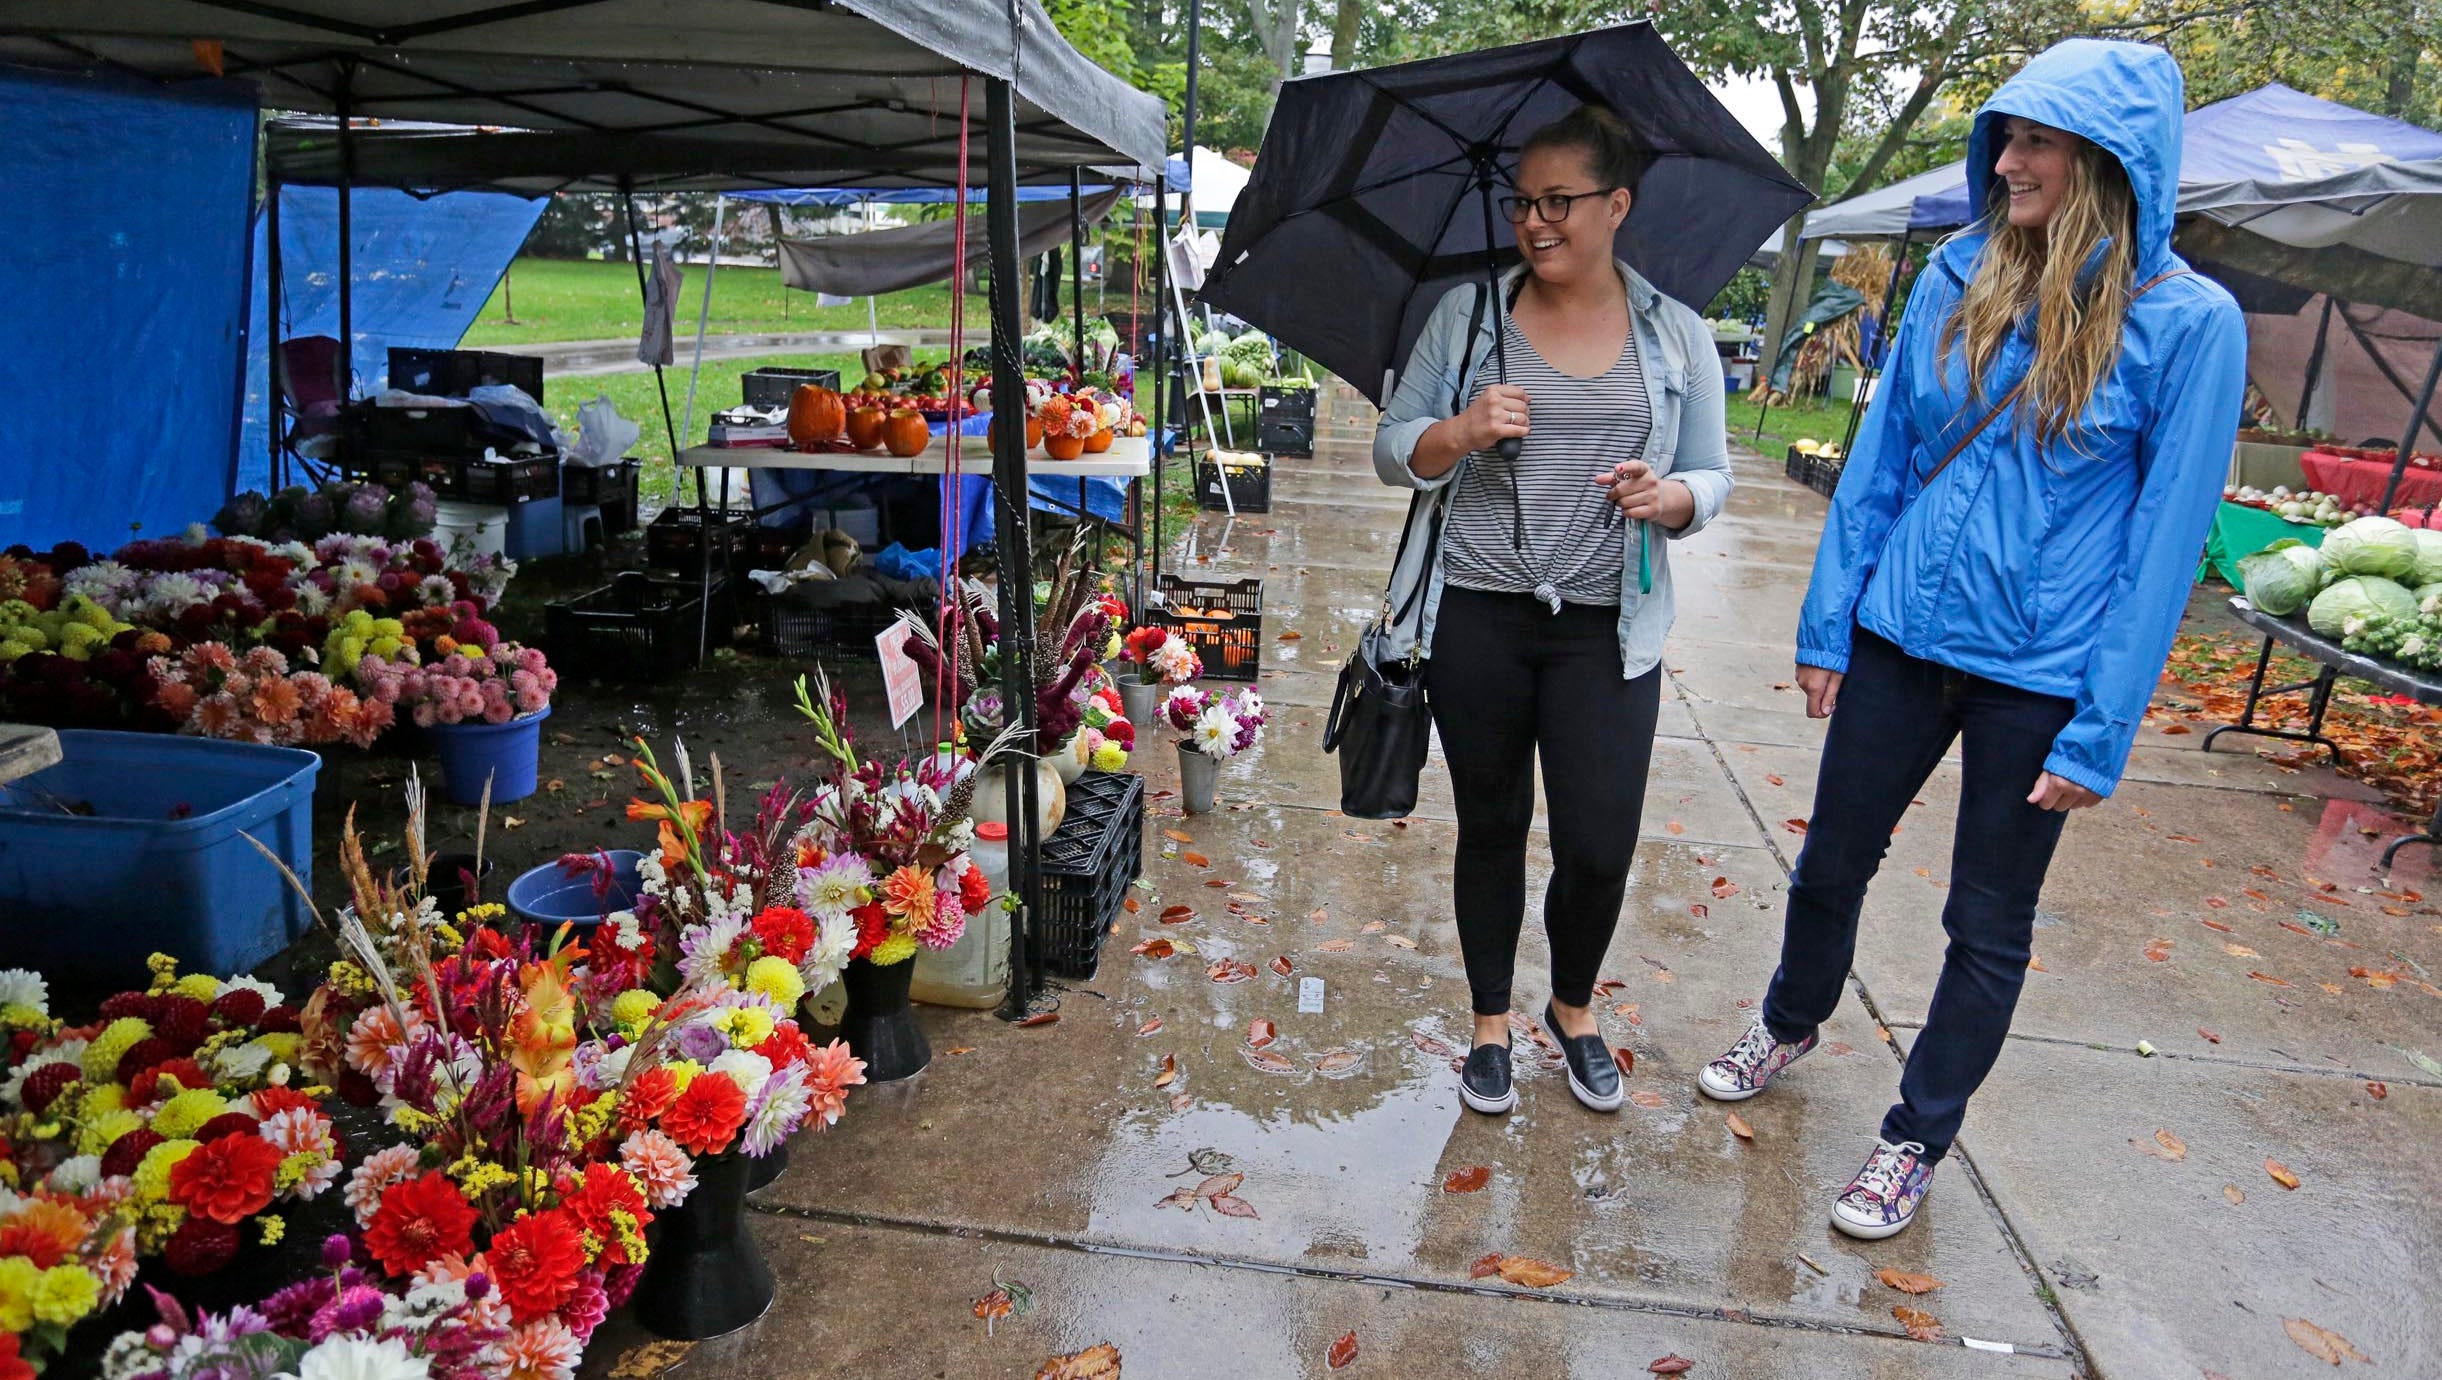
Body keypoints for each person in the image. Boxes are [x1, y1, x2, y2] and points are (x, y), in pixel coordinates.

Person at [1698, 40, 2246, 1239]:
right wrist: (1830, 623)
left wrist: (2099, 731)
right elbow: (1884, 459)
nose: (2006, 162)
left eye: (2036, 141)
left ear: (2109, 161)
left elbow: (2164, 548)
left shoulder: (2190, 324)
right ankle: (1791, 1019)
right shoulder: (1959, 270)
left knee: (1986, 925)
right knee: (1830, 862)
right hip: (1902, 635)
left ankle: (1914, 1138)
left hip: (2040, 677)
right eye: (2005, 138)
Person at [1374, 105, 1735, 1117]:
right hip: (1477, 617)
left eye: (1559, 201)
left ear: (1616, 206)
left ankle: (1571, 1008)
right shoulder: (1469, 317)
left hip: (1608, 629)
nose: (1535, 221)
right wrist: (1459, 430)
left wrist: (1672, 498)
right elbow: (1393, 446)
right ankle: (1490, 1023)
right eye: (1523, 202)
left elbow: (1711, 473)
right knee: (1491, 826)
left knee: (1598, 845)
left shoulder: (1675, 333)